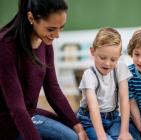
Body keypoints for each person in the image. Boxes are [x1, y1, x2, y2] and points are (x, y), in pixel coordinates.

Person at [0, 0, 88, 140]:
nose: (57, 35)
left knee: (79, 126)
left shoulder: (45, 41)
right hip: (9, 122)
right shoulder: (6, 46)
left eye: (61, 27)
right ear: (31, 18)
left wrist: (78, 126)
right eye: (51, 29)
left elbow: (52, 89)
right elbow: (17, 108)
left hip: (31, 114)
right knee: (70, 138)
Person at [76, 27, 133, 140]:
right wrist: (102, 136)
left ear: (119, 57)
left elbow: (124, 100)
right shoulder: (89, 75)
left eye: (113, 59)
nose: (107, 63)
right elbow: (93, 108)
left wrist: (124, 131)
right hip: (90, 120)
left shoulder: (121, 68)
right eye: (102, 57)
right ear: (92, 51)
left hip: (114, 118)